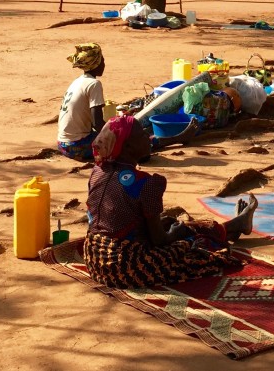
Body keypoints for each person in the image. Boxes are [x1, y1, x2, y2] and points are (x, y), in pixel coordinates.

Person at [84, 115, 258, 288]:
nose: (148, 136)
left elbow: (120, 215)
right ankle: (232, 228)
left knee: (172, 224)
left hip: (94, 256)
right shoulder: (146, 184)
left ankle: (233, 226)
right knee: (191, 242)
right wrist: (176, 233)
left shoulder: (98, 171)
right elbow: (160, 240)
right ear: (128, 147)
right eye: (142, 135)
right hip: (126, 266)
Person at [57, 43, 197, 161]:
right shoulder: (94, 84)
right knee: (134, 143)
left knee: (130, 132)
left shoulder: (77, 82)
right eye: (102, 60)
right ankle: (178, 138)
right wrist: (122, 134)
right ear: (96, 63)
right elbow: (98, 124)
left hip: (63, 144)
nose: (104, 64)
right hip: (77, 146)